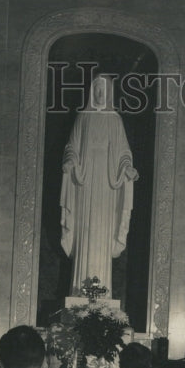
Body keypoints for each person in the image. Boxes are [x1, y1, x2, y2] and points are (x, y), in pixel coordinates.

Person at [60, 73, 139, 297]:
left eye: (103, 89)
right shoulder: (83, 118)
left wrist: (127, 168)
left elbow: (124, 152)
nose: (99, 93)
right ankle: (78, 292)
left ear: (109, 93)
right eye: (96, 88)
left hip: (106, 186)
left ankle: (103, 294)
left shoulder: (115, 120)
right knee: (85, 231)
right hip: (84, 185)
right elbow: (71, 147)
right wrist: (70, 161)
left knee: (101, 233)